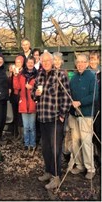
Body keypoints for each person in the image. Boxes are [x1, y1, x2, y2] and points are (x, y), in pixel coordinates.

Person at [31, 51, 71, 190]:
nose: (46, 63)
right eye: (44, 61)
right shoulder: (40, 75)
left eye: (48, 60)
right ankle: (48, 171)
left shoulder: (60, 75)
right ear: (41, 62)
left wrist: (62, 114)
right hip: (42, 117)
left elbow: (66, 96)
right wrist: (35, 94)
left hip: (54, 118)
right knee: (46, 148)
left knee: (56, 149)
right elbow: (33, 94)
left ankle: (56, 177)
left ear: (53, 61)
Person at [68, 54, 98, 180]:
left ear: (86, 64)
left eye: (82, 62)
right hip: (73, 114)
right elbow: (69, 94)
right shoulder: (73, 78)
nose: (80, 64)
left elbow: (94, 96)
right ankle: (79, 165)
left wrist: (80, 102)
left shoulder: (92, 77)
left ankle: (90, 168)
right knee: (75, 141)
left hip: (86, 114)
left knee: (86, 142)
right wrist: (70, 102)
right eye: (78, 62)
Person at [13, 55, 38, 153]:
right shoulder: (21, 75)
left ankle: (33, 145)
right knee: (26, 127)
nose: (30, 64)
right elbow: (17, 87)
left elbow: (40, 88)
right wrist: (15, 76)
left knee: (32, 127)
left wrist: (32, 88)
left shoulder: (37, 75)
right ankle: (27, 144)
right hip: (23, 103)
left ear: (34, 63)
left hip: (32, 104)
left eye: (32, 62)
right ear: (26, 64)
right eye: (28, 62)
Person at [88, 51, 101, 166]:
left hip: (99, 108)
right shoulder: (87, 73)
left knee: (98, 132)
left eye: (94, 59)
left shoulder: (99, 74)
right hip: (89, 108)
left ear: (98, 60)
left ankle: (99, 155)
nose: (92, 61)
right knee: (89, 134)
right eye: (91, 59)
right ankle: (91, 157)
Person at [8, 55, 24, 139]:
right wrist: (11, 74)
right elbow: (9, 83)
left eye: (20, 62)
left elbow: (21, 84)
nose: (18, 64)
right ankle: (15, 132)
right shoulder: (12, 72)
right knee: (14, 114)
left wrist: (17, 75)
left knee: (20, 114)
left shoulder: (23, 72)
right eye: (17, 62)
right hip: (14, 95)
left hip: (20, 95)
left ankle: (21, 133)